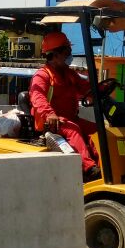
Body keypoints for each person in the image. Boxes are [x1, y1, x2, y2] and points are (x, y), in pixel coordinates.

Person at [29, 31, 101, 180]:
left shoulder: (69, 74)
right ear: (55, 54)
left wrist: (101, 89)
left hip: (69, 118)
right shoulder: (42, 75)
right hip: (51, 122)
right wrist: (50, 114)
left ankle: (104, 166)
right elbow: (37, 97)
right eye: (67, 52)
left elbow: (85, 88)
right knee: (73, 130)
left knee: (98, 130)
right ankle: (89, 169)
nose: (70, 55)